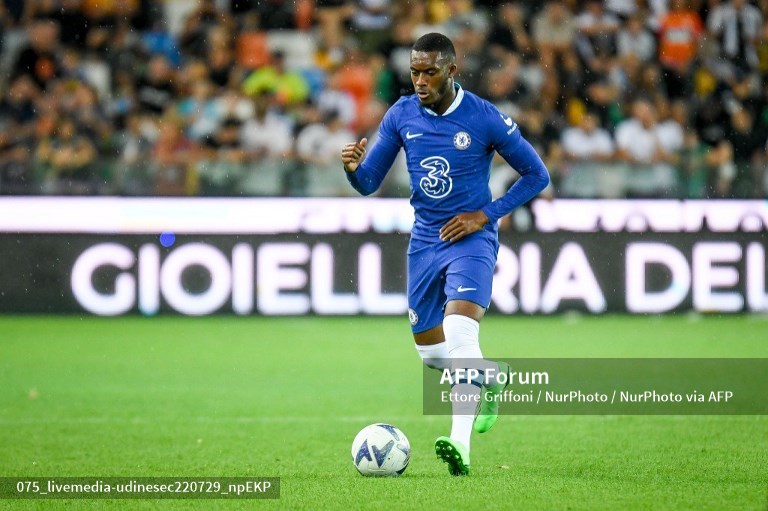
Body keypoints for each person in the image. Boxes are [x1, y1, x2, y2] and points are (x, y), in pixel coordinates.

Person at [340, 32, 550, 476]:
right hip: (424, 242)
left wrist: (485, 215)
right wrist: (352, 169)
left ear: (452, 71)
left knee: (460, 332)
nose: (419, 80)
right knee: (434, 358)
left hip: (471, 240)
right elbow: (369, 182)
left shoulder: (484, 118)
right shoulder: (401, 114)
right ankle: (489, 375)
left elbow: (537, 174)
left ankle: (460, 445)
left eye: (429, 71)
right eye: (414, 71)